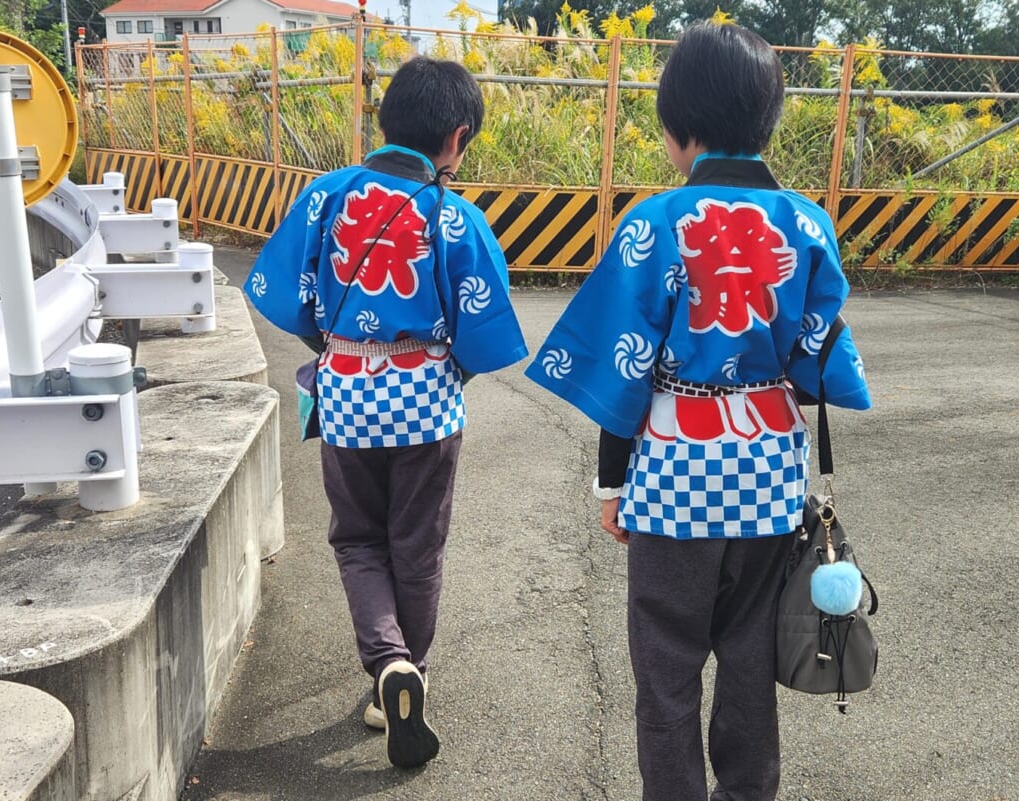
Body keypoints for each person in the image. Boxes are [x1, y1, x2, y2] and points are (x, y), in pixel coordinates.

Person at [524, 19, 871, 801]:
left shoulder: (651, 225)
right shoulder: (808, 224)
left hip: (673, 477)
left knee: (666, 665)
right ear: (768, 119)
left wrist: (611, 485)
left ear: (677, 132)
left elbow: (624, 372)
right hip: (768, 480)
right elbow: (817, 372)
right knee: (749, 658)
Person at [244, 56, 528, 769]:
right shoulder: (454, 217)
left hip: (345, 394)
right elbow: (486, 333)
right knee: (418, 546)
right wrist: (442, 365)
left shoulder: (325, 196)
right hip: (426, 403)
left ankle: (385, 662)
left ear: (383, 121)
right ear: (457, 137)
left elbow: (286, 292)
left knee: (357, 541)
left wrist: (337, 348)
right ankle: (411, 673)